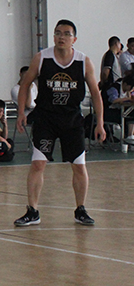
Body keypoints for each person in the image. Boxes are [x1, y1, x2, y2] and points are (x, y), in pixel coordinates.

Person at [14, 19, 105, 227]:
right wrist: (21, 113)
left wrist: (99, 122)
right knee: (38, 163)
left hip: (72, 120)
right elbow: (25, 84)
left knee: (79, 166)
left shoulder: (83, 61)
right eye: (57, 33)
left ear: (74, 39)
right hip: (46, 119)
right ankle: (32, 211)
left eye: (66, 33)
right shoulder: (42, 58)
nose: (61, 37)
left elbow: (95, 93)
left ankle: (81, 209)